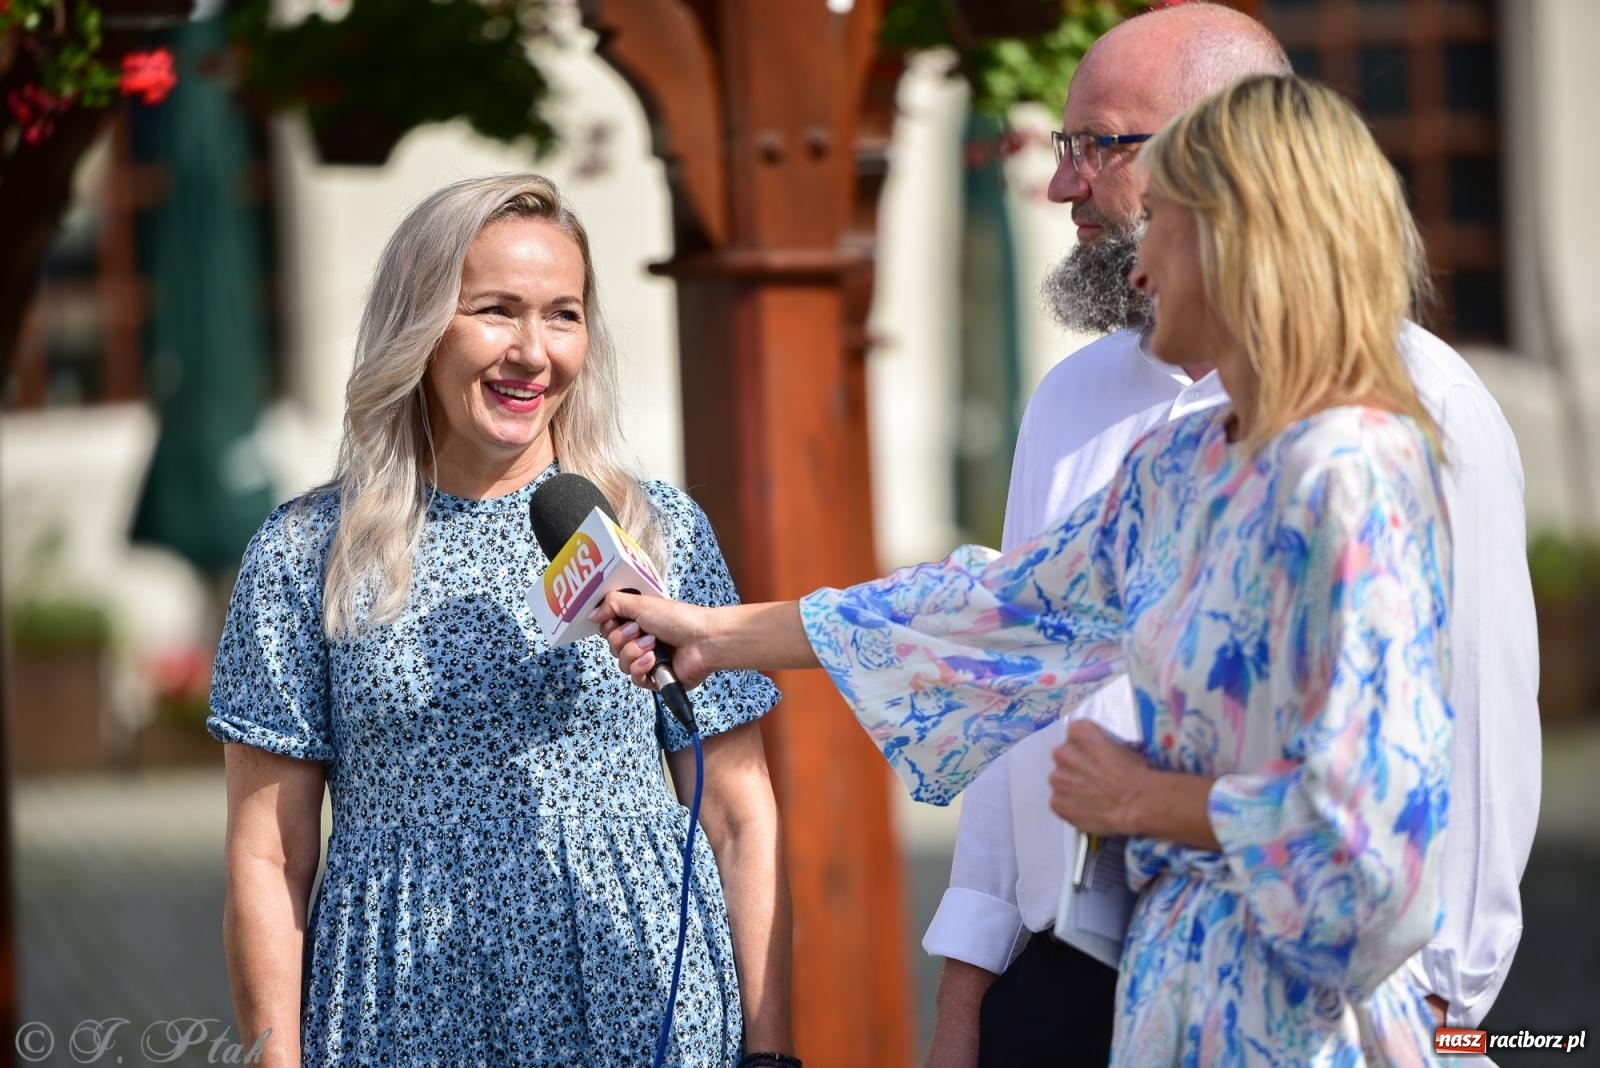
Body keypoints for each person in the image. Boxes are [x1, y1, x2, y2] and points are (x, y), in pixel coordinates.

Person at [599, 75, 1461, 1064]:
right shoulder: (1183, 465)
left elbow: (1378, 840)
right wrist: (712, 634)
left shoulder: (1354, 467)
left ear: (1242, 235)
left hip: (1303, 1027)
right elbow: (998, 609)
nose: (1139, 273)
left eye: (1166, 220)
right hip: (1166, 1003)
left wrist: (1147, 804)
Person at [927, 5, 1539, 1065]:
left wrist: (1451, 1019)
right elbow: (1010, 682)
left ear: (1224, 158)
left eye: (1094, 147)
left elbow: (1471, 735)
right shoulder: (1071, 398)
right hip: (1061, 981)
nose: (1059, 185)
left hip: (1299, 991)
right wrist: (968, 992)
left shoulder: (1418, 412)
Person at [210, 174, 794, 1067]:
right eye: (494, 310)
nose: (533, 351)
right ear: (420, 325)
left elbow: (738, 811)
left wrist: (770, 1048)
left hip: (641, 998)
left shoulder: (654, 529)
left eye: (563, 314)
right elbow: (268, 857)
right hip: (401, 1009)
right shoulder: (305, 552)